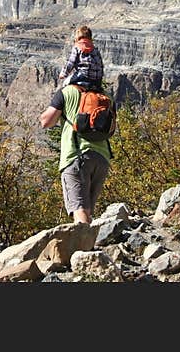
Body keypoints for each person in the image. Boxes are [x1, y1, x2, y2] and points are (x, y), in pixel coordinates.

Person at [38, 82, 111, 224]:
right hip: (102, 158)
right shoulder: (106, 96)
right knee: (87, 210)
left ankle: (84, 246)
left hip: (76, 156)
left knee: (79, 210)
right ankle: (89, 243)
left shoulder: (67, 92)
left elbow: (46, 122)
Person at [58, 25, 104, 91]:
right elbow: (100, 65)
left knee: (65, 84)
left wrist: (63, 73)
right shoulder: (95, 49)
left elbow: (71, 62)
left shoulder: (77, 47)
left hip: (83, 76)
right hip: (97, 81)